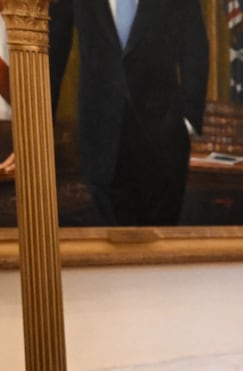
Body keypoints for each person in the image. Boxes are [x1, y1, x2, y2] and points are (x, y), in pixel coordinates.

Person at [45, 0, 209, 226]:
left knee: (161, 250)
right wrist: (36, 132)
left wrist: (188, 120)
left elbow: (195, 48)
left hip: (164, 144)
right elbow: (52, 54)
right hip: (101, 138)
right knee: (110, 251)